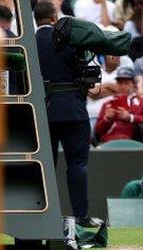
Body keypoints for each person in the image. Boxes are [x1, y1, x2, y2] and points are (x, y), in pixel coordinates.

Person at [37, 1, 96, 226]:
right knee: (78, 165)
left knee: (45, 168)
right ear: (54, 17)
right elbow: (83, 70)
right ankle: (82, 216)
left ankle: (44, 216)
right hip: (73, 110)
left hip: (43, 112)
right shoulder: (69, 38)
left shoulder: (30, 43)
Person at [94, 66, 143, 143]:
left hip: (134, 141)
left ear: (134, 85)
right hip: (109, 141)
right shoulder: (108, 103)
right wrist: (107, 119)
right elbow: (98, 132)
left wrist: (130, 118)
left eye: (126, 83)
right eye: (120, 83)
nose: (123, 87)